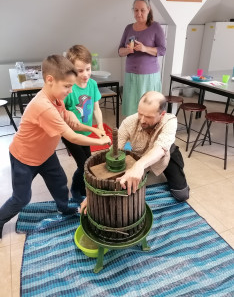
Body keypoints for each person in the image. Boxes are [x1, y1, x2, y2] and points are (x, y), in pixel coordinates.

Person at [0, 55, 111, 240]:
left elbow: (72, 123)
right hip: (24, 158)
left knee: (59, 183)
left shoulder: (56, 99)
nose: (70, 90)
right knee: (21, 198)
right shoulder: (43, 106)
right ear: (50, 80)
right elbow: (72, 136)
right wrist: (100, 142)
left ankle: (65, 208)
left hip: (46, 154)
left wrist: (92, 128)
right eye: (67, 86)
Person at [80, 91, 189, 214]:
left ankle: (172, 167)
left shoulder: (170, 121)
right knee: (124, 186)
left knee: (181, 195)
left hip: (166, 156)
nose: (142, 120)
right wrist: (93, 194)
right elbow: (115, 150)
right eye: (140, 113)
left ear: (162, 114)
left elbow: (160, 149)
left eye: (148, 117)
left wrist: (138, 166)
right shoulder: (129, 122)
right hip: (141, 157)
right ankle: (147, 169)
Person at [62, 45, 105, 203]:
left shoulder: (92, 85)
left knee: (87, 161)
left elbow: (96, 108)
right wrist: (68, 112)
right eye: (80, 71)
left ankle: (80, 186)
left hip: (86, 133)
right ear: (71, 70)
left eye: (88, 69)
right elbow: (59, 110)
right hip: (71, 135)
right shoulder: (68, 88)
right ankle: (77, 190)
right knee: (84, 164)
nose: (85, 74)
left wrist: (99, 126)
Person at [118, 0, 166, 116]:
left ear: (148, 10)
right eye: (136, 10)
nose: (139, 14)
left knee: (148, 109)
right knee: (131, 109)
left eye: (142, 10)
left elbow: (162, 50)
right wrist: (128, 50)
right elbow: (119, 51)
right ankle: (133, 132)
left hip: (148, 77)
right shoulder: (128, 28)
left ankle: (148, 133)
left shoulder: (155, 27)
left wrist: (145, 49)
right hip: (131, 76)